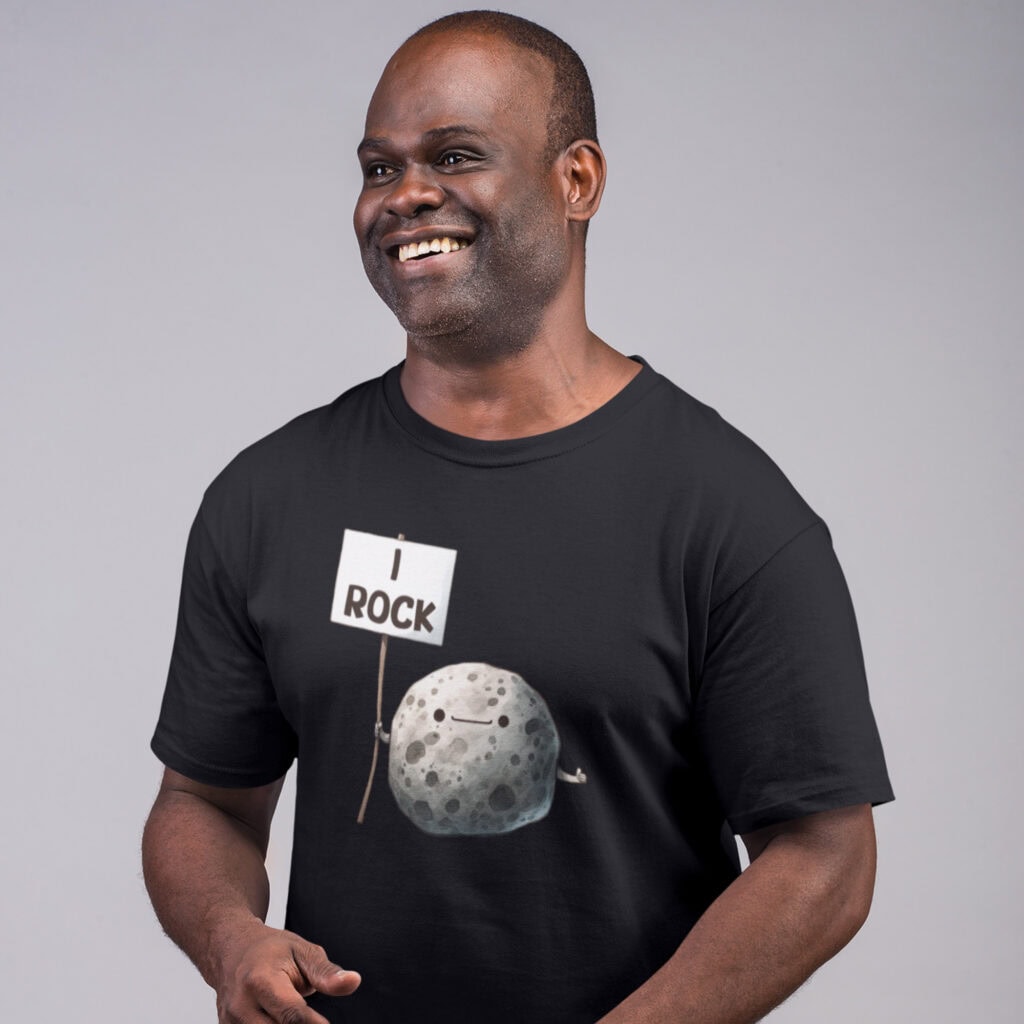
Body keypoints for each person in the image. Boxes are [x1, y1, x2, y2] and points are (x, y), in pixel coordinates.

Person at [143, 11, 893, 1024]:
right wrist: (229, 939)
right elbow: (203, 804)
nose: (405, 196)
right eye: (378, 167)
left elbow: (825, 856)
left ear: (575, 180)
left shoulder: (725, 511)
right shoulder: (270, 496)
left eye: (455, 155)